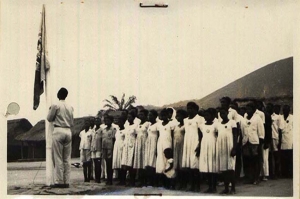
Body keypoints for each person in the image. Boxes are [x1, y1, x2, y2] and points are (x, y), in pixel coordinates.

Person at [47, 87, 74, 188]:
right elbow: (72, 122)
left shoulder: (55, 105)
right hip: (68, 131)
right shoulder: (70, 106)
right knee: (67, 158)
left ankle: (59, 181)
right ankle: (66, 181)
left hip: (58, 130)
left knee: (58, 157)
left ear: (58, 95)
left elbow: (49, 118)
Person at [182, 102, 204, 192]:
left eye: (191, 108)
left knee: (195, 166)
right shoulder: (185, 120)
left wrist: (199, 145)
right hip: (188, 144)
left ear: (196, 109)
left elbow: (201, 133)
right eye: (188, 108)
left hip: (195, 143)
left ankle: (197, 186)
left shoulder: (200, 119)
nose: (189, 110)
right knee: (189, 167)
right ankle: (191, 185)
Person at [241, 103, 264, 185]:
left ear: (254, 110)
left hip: (254, 142)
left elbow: (261, 132)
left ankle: (256, 178)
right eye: (247, 109)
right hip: (246, 142)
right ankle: (249, 178)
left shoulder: (257, 118)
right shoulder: (244, 118)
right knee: (247, 161)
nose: (247, 111)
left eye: (249, 109)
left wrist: (260, 143)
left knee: (255, 160)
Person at [217, 108, 238, 194]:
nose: (222, 115)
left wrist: (234, 148)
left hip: (230, 147)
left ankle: (233, 188)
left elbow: (235, 135)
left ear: (227, 113)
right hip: (222, 148)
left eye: (224, 113)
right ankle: (226, 188)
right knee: (224, 169)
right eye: (221, 114)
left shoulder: (232, 122)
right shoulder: (218, 124)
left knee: (230, 168)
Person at [198, 109, 218, 193]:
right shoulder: (202, 126)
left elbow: (218, 135)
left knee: (213, 167)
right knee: (207, 167)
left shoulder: (216, 125)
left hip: (213, 146)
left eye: (208, 115)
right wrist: (199, 146)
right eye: (205, 115)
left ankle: (214, 186)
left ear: (213, 116)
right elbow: (200, 137)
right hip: (204, 146)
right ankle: (210, 186)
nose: (206, 117)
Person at [156, 109, 176, 188]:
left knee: (168, 161)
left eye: (164, 115)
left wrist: (172, 147)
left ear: (168, 115)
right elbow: (158, 136)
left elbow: (172, 136)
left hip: (168, 144)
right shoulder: (159, 125)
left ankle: (169, 181)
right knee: (161, 161)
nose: (163, 117)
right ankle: (163, 182)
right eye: (161, 115)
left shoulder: (170, 124)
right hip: (160, 144)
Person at [133, 109, 150, 187]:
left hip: (145, 143)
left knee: (144, 161)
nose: (140, 116)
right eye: (140, 114)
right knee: (139, 161)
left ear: (146, 115)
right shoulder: (138, 124)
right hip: (138, 143)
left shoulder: (148, 124)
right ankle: (139, 179)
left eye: (142, 114)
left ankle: (145, 180)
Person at [121, 112, 138, 186]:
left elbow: (137, 136)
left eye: (130, 117)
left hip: (132, 145)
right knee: (126, 163)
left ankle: (132, 181)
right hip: (126, 146)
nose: (128, 118)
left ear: (134, 118)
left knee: (131, 163)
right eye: (128, 117)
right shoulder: (126, 126)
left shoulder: (135, 126)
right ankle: (126, 181)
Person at [100, 115, 117, 185]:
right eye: (105, 120)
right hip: (104, 148)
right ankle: (108, 179)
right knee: (107, 163)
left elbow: (114, 139)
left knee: (110, 164)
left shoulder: (113, 129)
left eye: (108, 120)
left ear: (111, 121)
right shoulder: (103, 130)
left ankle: (110, 179)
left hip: (110, 148)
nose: (106, 121)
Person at [144, 110, 159, 186]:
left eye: (151, 115)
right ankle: (149, 180)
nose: (149, 117)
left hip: (154, 143)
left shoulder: (158, 124)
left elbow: (159, 135)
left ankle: (155, 181)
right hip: (148, 143)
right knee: (148, 161)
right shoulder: (149, 125)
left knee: (153, 161)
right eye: (148, 115)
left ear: (155, 116)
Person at [173, 109, 187, 189]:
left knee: (182, 166)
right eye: (176, 116)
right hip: (176, 146)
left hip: (183, 146)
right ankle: (179, 183)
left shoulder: (185, 126)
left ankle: (184, 183)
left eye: (179, 116)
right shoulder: (176, 126)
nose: (177, 117)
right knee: (177, 165)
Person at [269, 104, 284, 179]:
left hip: (275, 137)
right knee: (270, 156)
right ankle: (272, 173)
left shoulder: (279, 117)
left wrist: (280, 141)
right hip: (269, 137)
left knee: (276, 155)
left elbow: (280, 130)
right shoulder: (270, 116)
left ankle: (277, 172)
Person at [113, 116, 126, 185]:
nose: (119, 123)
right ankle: (120, 179)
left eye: (121, 121)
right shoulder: (117, 130)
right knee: (118, 162)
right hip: (117, 147)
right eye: (118, 121)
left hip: (122, 147)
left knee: (122, 163)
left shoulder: (125, 130)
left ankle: (123, 180)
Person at [280, 105, 293, 178]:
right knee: (283, 157)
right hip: (283, 139)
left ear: (289, 110)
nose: (285, 111)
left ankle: (290, 173)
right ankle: (284, 173)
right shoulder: (280, 118)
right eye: (284, 110)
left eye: (287, 110)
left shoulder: (292, 118)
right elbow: (280, 129)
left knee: (290, 157)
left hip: (290, 139)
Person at [91, 117, 102, 183]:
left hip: (99, 148)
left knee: (98, 164)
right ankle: (96, 177)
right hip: (93, 149)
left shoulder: (101, 130)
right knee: (95, 164)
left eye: (98, 121)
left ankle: (98, 178)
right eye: (96, 121)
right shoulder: (93, 130)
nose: (97, 122)